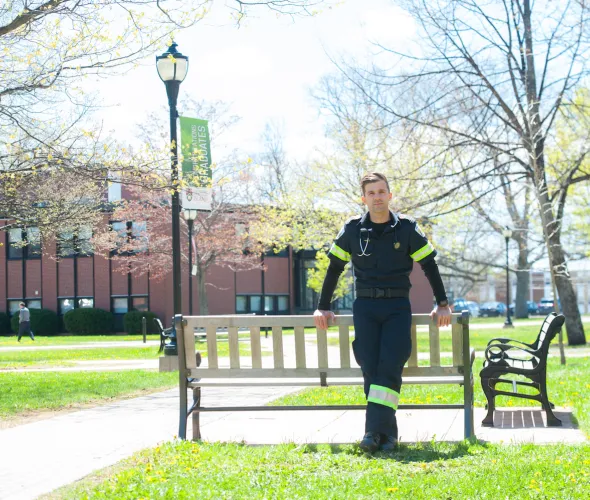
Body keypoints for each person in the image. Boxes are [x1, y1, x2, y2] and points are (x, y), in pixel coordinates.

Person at [313, 172, 451, 453]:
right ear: (364, 198)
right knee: (371, 367)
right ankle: (387, 435)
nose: (377, 197)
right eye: (371, 193)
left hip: (397, 307)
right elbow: (334, 269)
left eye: (381, 191)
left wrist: (443, 302)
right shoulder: (352, 230)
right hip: (365, 307)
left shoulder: (408, 229)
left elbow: (429, 265)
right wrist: (323, 306)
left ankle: (371, 433)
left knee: (389, 364)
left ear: (390, 195)